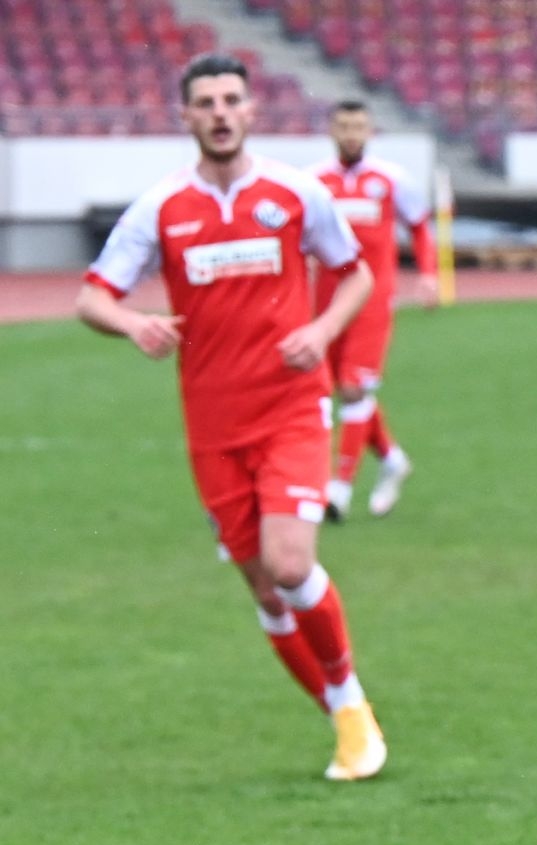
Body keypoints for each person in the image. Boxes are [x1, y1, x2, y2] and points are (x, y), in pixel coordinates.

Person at [76, 53, 388, 781]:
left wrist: (321, 332)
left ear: (252, 111)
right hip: (213, 426)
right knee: (262, 590)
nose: (219, 112)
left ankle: (350, 703)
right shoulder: (161, 209)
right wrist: (133, 325)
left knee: (290, 564)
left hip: (290, 410)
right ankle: (345, 721)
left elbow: (357, 273)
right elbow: (92, 297)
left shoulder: (295, 193)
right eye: (205, 102)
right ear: (185, 117)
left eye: (231, 100)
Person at [312, 98, 436, 521]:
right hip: (326, 302)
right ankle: (392, 459)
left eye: (358, 126)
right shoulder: (315, 182)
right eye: (343, 125)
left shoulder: (390, 180)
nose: (351, 133)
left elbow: (420, 225)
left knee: (352, 387)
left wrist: (428, 275)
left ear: (370, 131)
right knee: (335, 386)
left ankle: (338, 488)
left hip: (372, 299)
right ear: (331, 130)